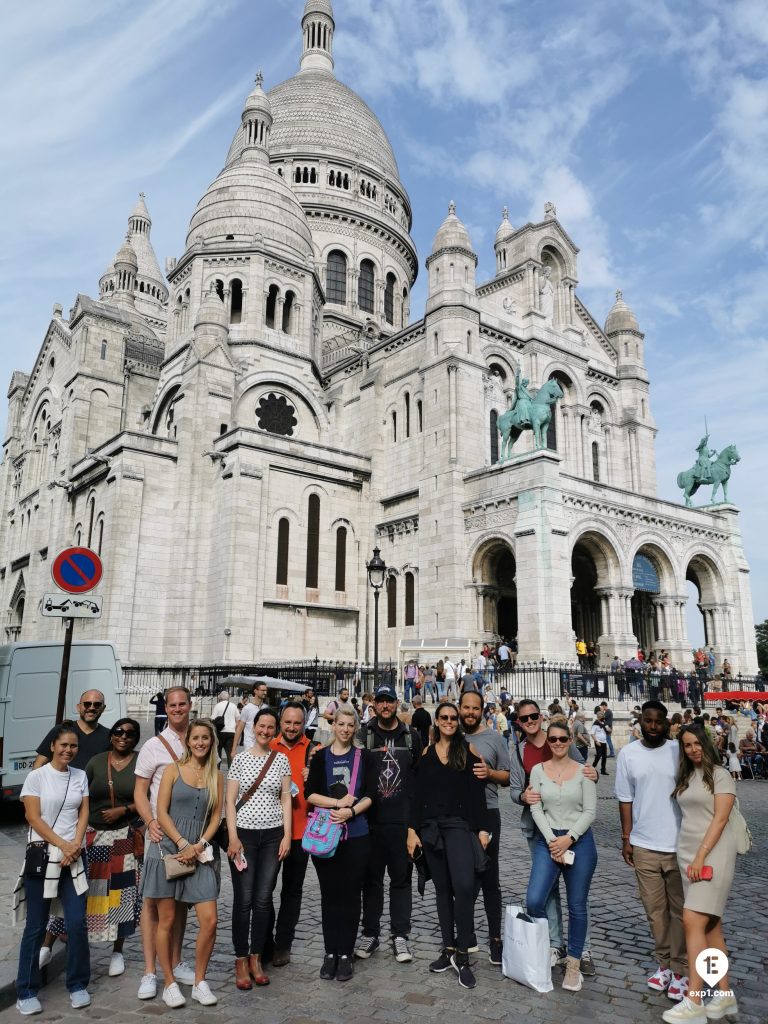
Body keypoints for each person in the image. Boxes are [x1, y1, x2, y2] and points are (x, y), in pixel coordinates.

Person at [509, 699, 598, 976]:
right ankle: (555, 944)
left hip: (572, 832)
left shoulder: (559, 737)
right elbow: (515, 790)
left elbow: (583, 772)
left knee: (577, 898)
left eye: (534, 715)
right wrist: (523, 796)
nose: (530, 721)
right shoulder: (519, 751)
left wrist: (593, 774)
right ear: (519, 723)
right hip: (539, 830)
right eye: (524, 718)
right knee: (545, 894)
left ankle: (581, 950)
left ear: (541, 716)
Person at [407, 701, 491, 990]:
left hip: (458, 827)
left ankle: (465, 953)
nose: (449, 721)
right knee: (442, 890)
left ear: (457, 721)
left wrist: (483, 829)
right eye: (443, 717)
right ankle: (449, 949)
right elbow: (416, 796)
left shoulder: (467, 751)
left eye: (453, 717)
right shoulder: (427, 753)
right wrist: (411, 830)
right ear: (436, 721)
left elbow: (477, 793)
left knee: (465, 886)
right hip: (431, 829)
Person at [142, 719, 223, 1008]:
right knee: (167, 920)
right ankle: (169, 982)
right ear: (187, 741)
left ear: (211, 741)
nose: (200, 742)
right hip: (167, 850)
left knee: (210, 920)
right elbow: (160, 812)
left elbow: (216, 817)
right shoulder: (172, 771)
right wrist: (181, 843)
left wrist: (200, 844)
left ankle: (200, 981)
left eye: (205, 738)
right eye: (195, 738)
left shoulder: (216, 774)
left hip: (199, 853)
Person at [662, 726, 739, 1024]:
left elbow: (720, 820)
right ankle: (723, 996)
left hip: (713, 852)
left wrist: (701, 854)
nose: (693, 749)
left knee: (693, 919)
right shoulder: (686, 775)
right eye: (687, 745)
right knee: (711, 929)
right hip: (688, 853)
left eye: (697, 743)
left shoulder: (719, 774)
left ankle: (694, 1001)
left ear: (706, 743)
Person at [15, 722, 90, 1015]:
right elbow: (33, 818)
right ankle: (26, 989)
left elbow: (83, 811)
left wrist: (76, 843)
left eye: (73, 746)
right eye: (64, 745)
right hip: (44, 855)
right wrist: (64, 844)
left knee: (76, 923)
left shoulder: (80, 776)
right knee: (35, 926)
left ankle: (78, 983)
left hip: (72, 858)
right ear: (53, 747)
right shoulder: (37, 777)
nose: (69, 750)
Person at [34, 688, 112, 968]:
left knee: (88, 887)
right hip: (59, 826)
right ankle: (45, 944)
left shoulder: (106, 736)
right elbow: (39, 764)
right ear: (79, 706)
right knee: (53, 888)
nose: (91, 707)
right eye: (87, 703)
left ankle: (76, 944)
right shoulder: (62, 731)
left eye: (97, 704)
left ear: (103, 708)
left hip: (92, 822)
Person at [615, 701, 688, 1002]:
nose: (653, 726)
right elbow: (625, 798)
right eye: (648, 721)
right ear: (641, 721)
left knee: (681, 913)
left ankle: (682, 970)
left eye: (659, 721)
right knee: (654, 912)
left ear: (668, 723)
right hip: (644, 844)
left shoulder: (679, 751)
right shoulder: (628, 754)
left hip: (679, 844)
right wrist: (626, 837)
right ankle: (664, 965)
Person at [305, 708, 375, 981]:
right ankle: (329, 952)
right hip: (326, 835)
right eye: (340, 724)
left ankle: (345, 952)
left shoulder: (364, 757)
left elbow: (371, 795)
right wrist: (337, 804)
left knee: (350, 895)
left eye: (350, 725)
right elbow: (310, 794)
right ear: (333, 726)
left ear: (355, 728)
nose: (345, 729)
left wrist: (352, 812)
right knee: (329, 895)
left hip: (356, 833)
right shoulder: (320, 756)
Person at [133, 686, 194, 1001]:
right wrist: (150, 822)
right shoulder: (154, 746)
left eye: (183, 704)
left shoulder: (199, 740)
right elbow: (140, 791)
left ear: (190, 705)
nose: (178, 709)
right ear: (166, 708)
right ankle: (149, 971)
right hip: (159, 833)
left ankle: (176, 958)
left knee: (181, 899)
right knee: (152, 902)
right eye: (173, 705)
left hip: (187, 833)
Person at [226, 707, 292, 988]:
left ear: (275, 730)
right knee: (244, 900)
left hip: (273, 835)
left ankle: (256, 957)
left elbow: (286, 798)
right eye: (261, 726)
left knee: (264, 899)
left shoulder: (281, 760)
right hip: (244, 836)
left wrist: (287, 836)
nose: (265, 731)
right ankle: (240, 960)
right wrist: (232, 837)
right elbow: (230, 801)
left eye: (270, 727)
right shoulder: (239, 760)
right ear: (254, 727)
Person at [356, 684, 422, 964]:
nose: (385, 706)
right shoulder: (364, 734)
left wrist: (413, 827)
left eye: (389, 701)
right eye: (380, 701)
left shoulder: (412, 737)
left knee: (401, 880)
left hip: (400, 822)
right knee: (371, 882)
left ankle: (400, 935)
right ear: (374, 706)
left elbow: (419, 782)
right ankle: (370, 932)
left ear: (396, 704)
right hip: (371, 822)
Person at [80, 718, 143, 979]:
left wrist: (125, 809)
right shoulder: (96, 761)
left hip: (124, 834)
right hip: (92, 834)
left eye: (130, 733)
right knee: (85, 890)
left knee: (122, 893)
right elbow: (79, 795)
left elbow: (149, 797)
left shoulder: (141, 761)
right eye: (118, 731)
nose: (123, 737)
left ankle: (118, 950)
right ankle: (62, 941)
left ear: (136, 738)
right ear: (111, 735)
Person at [458, 691, 510, 966]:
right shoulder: (450, 735)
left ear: (481, 710)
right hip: (459, 815)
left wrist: (488, 772)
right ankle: (467, 935)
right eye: (465, 707)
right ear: (459, 708)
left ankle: (495, 940)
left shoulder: (495, 738)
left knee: (489, 877)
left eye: (474, 708)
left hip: (488, 813)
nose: (469, 712)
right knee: (463, 879)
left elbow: (508, 776)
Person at [264, 703, 312, 966]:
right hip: (271, 831)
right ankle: (266, 941)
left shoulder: (314, 750)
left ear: (304, 723)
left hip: (301, 832)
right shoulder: (268, 746)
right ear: (280, 723)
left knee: (292, 892)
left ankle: (284, 943)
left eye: (297, 723)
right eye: (288, 722)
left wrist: (313, 775)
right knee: (265, 890)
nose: (292, 727)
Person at [231, 682, 268, 760]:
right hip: (249, 746)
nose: (265, 692)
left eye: (266, 690)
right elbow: (239, 729)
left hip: (263, 745)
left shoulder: (266, 708)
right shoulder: (247, 708)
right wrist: (234, 749)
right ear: (255, 691)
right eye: (263, 690)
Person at [211, 691, 238, 766]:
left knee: (218, 752)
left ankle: (217, 770)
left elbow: (212, 718)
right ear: (228, 697)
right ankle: (231, 770)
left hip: (220, 732)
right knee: (229, 753)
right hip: (231, 732)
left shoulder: (217, 706)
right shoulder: (233, 705)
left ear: (220, 698)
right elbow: (238, 719)